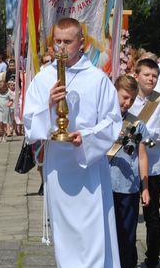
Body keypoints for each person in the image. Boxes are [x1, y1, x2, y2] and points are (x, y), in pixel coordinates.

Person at [23, 17, 121, 267]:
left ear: (82, 43)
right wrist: (48, 105)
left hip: (88, 165)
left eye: (67, 41)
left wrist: (86, 137)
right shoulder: (44, 78)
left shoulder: (97, 79)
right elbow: (29, 124)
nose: (61, 47)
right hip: (58, 163)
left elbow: (112, 121)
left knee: (92, 229)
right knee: (64, 231)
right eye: (57, 41)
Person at [130, 58, 160, 268]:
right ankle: (127, 256)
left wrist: (149, 135)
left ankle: (152, 258)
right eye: (147, 74)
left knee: (152, 213)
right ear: (136, 75)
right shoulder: (127, 99)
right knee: (127, 213)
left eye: (154, 76)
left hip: (153, 165)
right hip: (127, 164)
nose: (151, 79)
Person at [110, 75, 150, 268]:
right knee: (108, 233)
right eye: (124, 97)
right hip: (105, 186)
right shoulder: (103, 120)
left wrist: (145, 187)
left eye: (132, 99)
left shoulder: (137, 124)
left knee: (127, 234)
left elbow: (142, 156)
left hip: (129, 188)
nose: (128, 103)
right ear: (114, 92)